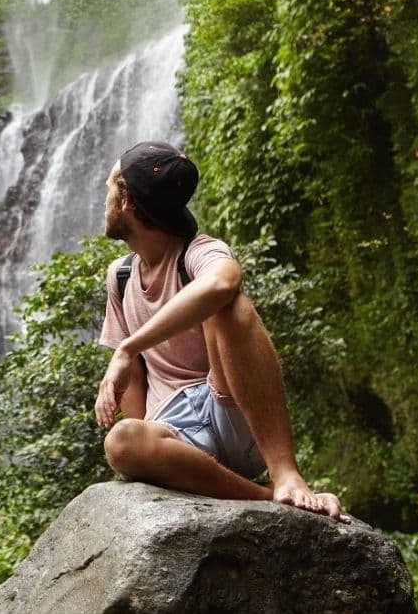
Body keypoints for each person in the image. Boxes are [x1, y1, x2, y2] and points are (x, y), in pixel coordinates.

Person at [94, 141, 345, 521]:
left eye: (110, 187)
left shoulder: (198, 252)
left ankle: (286, 474)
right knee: (123, 440)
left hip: (230, 410)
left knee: (229, 306)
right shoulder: (121, 276)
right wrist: (149, 448)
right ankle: (266, 496)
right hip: (178, 435)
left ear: (126, 199)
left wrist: (127, 348)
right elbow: (135, 381)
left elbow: (223, 282)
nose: (105, 197)